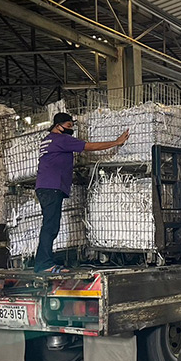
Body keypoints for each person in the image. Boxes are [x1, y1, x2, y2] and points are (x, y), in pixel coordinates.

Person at [34, 112, 130, 273]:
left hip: (45, 187)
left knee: (49, 225)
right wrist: (116, 142)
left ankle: (43, 262)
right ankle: (43, 264)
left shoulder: (47, 140)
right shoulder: (61, 140)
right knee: (50, 227)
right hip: (52, 187)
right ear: (58, 126)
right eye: (68, 126)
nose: (70, 129)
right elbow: (89, 147)